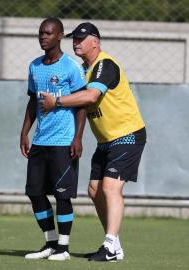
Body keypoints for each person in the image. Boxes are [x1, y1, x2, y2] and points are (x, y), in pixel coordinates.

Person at [39, 22, 146, 261]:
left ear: (95, 42)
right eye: (74, 39)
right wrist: (75, 137)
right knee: (94, 190)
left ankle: (109, 245)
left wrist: (55, 101)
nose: (76, 42)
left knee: (110, 187)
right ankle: (114, 246)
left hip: (127, 136)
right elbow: (82, 106)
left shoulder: (104, 65)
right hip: (106, 141)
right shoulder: (83, 70)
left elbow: (91, 96)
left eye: (81, 38)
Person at [20, 17, 87, 261]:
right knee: (35, 192)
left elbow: (82, 105)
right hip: (40, 141)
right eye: (40, 33)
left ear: (59, 36)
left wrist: (78, 137)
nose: (43, 37)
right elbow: (32, 101)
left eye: (48, 33)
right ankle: (49, 242)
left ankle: (64, 247)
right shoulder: (34, 66)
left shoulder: (71, 66)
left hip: (63, 141)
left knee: (62, 195)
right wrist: (24, 132)